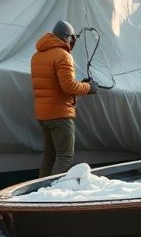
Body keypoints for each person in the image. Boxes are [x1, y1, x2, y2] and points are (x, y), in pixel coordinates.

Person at [31, 20, 98, 177]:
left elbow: (54, 83)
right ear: (68, 38)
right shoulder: (63, 55)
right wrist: (89, 88)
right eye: (73, 39)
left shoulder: (37, 55)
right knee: (65, 156)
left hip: (42, 113)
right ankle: (52, 192)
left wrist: (80, 84)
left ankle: (40, 191)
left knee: (49, 156)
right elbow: (67, 86)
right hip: (60, 114)